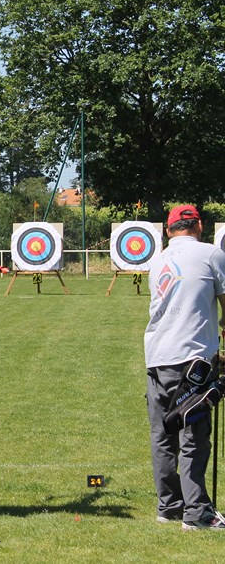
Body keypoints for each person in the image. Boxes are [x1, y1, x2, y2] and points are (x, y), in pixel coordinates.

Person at [144, 204, 225, 530]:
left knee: (163, 434)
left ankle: (170, 507)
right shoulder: (211, 254)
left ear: (168, 230)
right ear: (200, 226)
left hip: (157, 357)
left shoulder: (157, 260)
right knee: (193, 436)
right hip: (193, 360)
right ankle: (197, 514)